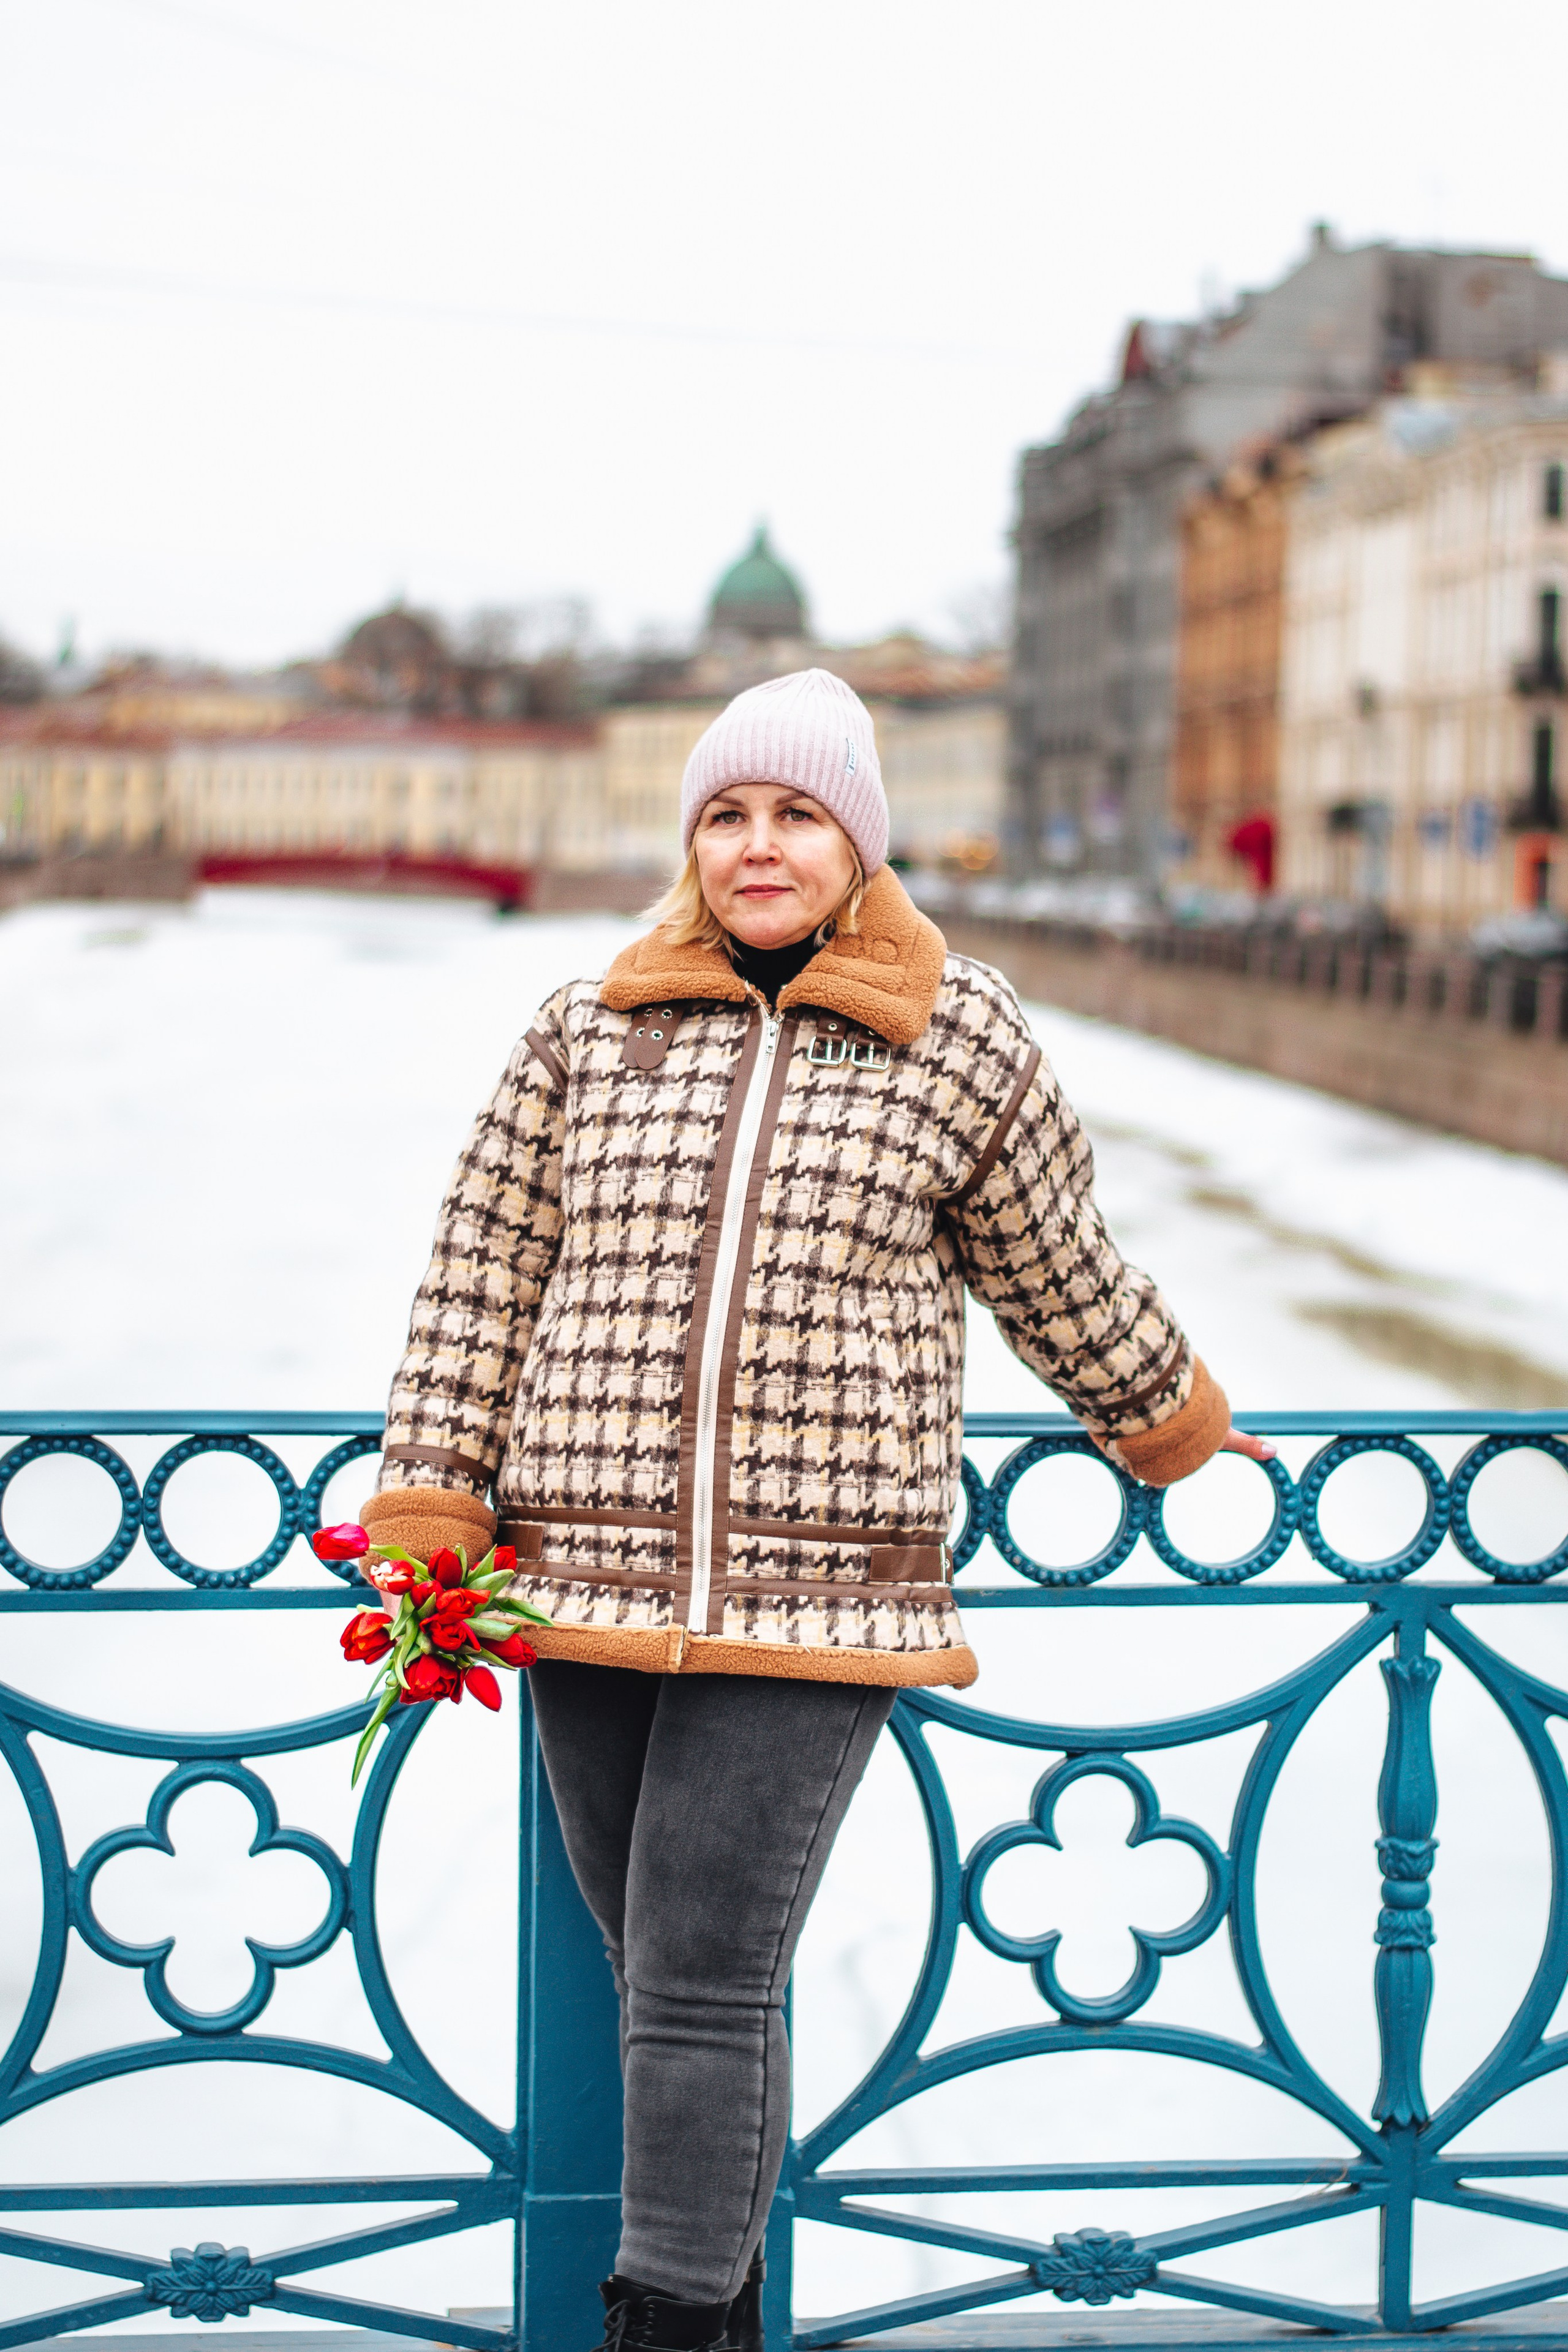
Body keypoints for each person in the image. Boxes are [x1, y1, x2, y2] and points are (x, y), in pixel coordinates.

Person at [356, 668, 1269, 2352]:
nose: (757, 846)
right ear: (691, 839)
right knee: (668, 1985)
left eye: (795, 814)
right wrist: (434, 1489)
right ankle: (733, 2295)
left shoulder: (959, 1030)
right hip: (582, 1574)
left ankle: (667, 2321)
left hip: (825, 1589)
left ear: (860, 839)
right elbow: (483, 1271)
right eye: (727, 814)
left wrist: (1170, 1418)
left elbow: (1051, 1266)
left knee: (700, 1975)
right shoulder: (589, 1024)